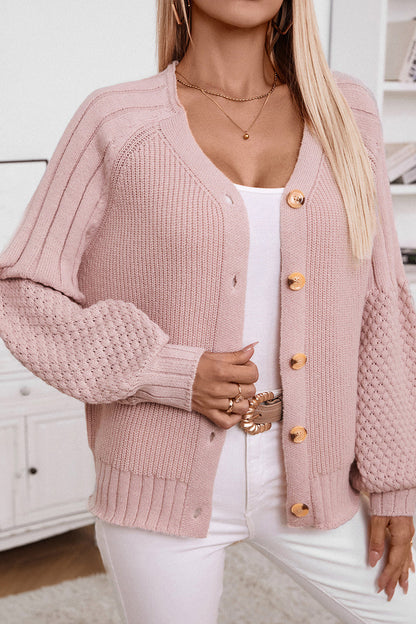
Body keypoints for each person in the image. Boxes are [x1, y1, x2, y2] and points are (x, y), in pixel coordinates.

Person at [0, 0, 415, 622]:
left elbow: (382, 305)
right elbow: (20, 289)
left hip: (325, 474)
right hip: (158, 484)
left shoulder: (347, 112)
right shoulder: (117, 120)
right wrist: (167, 370)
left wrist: (396, 480)